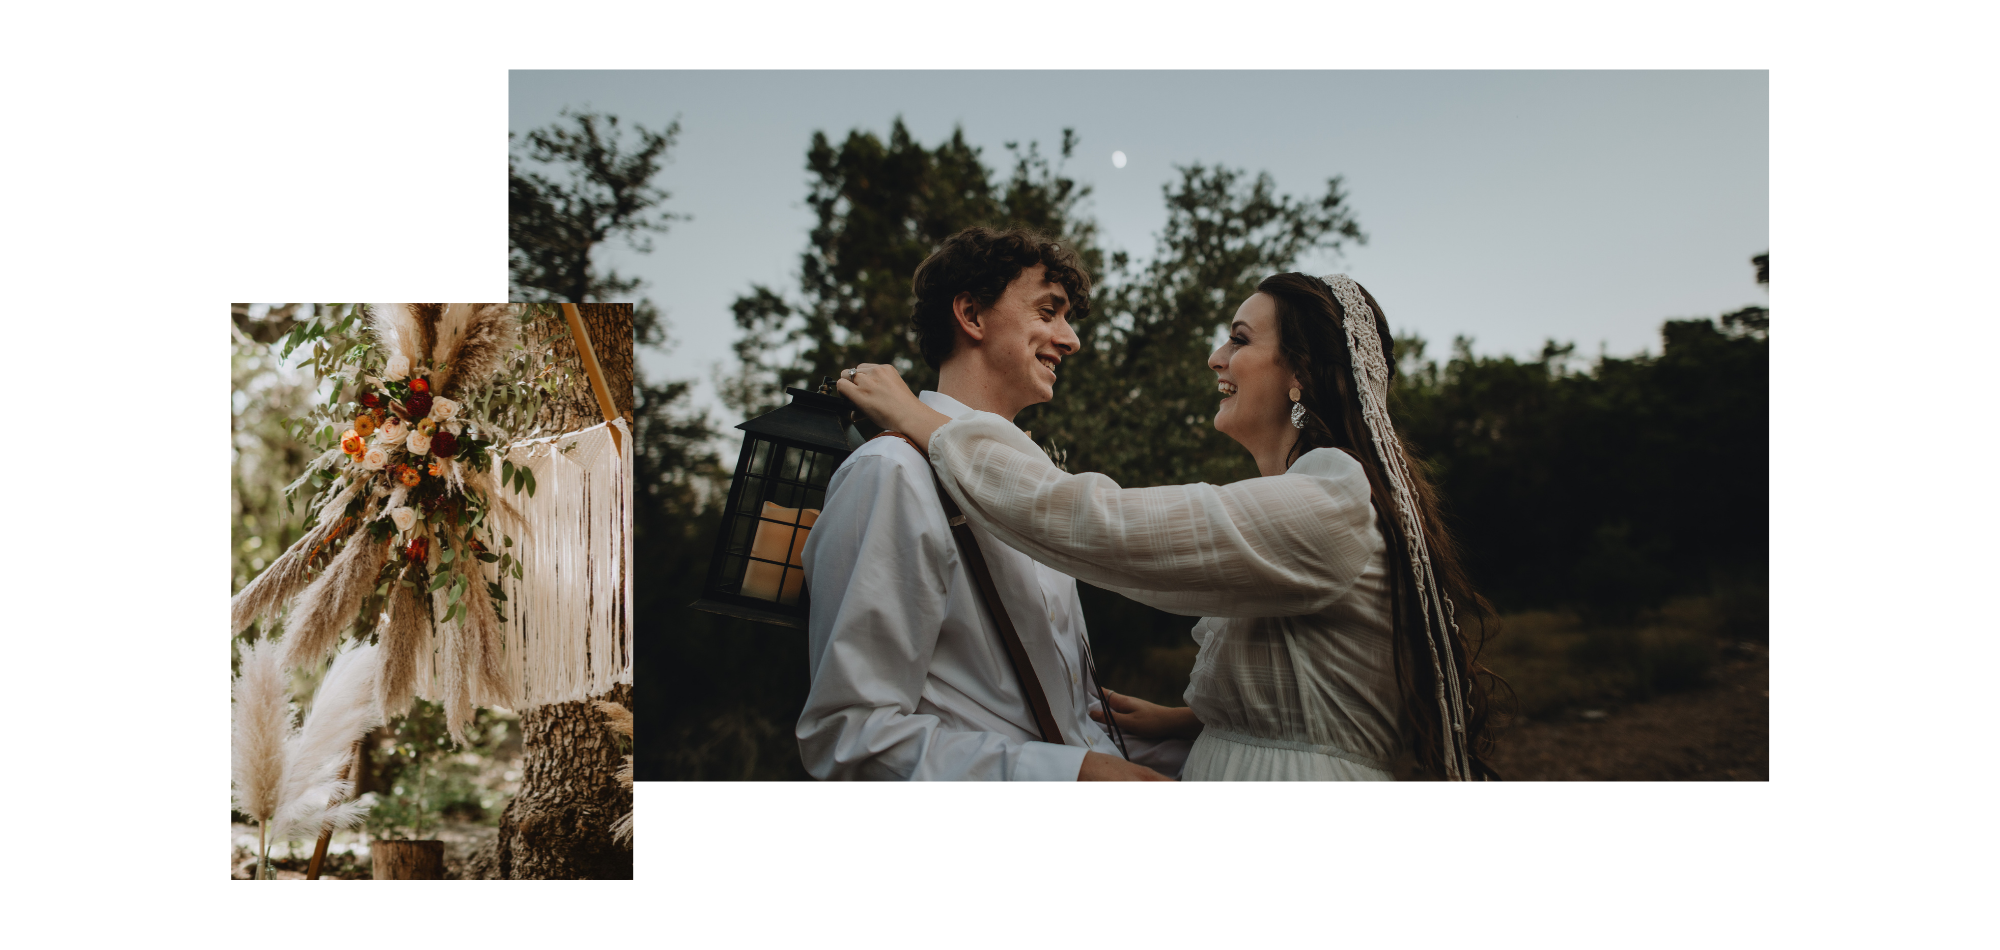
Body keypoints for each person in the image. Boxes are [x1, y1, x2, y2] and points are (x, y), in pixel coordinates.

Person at [839, 272, 1503, 781]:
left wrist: (928, 424)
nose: (1216, 357)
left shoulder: (1334, 497)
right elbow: (1340, 682)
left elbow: (1103, 526)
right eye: (1050, 311)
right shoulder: (1327, 493)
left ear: (1301, 372)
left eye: (1240, 339)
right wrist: (1198, 723)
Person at [797, 227, 1186, 781]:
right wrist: (1069, 775)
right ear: (972, 316)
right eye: (1048, 311)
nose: (1071, 338)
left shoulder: (1039, 483)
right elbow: (849, 737)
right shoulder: (893, 473)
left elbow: (1068, 727)